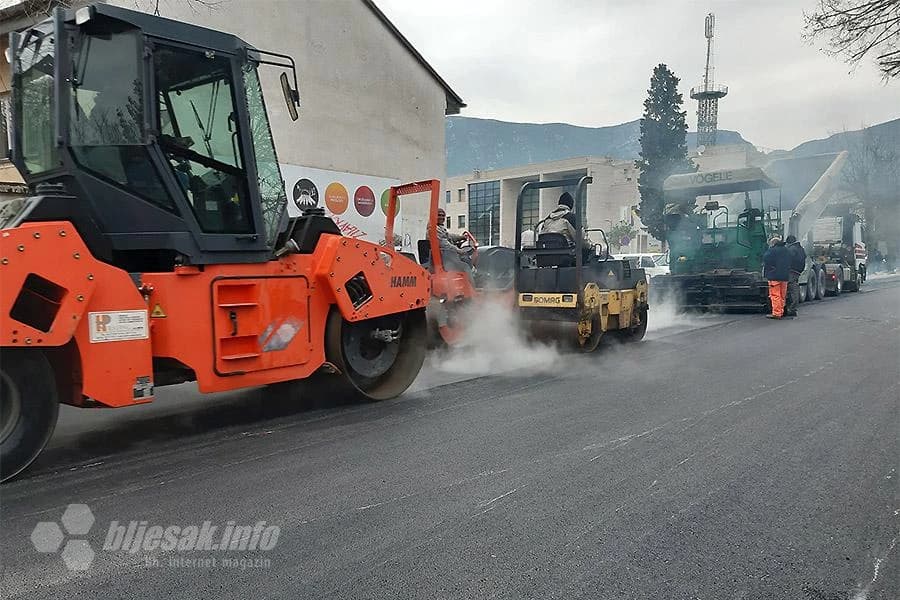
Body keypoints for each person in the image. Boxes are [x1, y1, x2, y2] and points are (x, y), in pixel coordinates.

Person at [763, 236, 791, 319]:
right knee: (782, 295)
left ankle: (776, 313)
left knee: (775, 295)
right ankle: (781, 311)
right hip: (785, 276)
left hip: (774, 276)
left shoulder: (772, 251)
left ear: (773, 244)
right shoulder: (786, 250)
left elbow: (766, 259)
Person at [784, 234, 806, 317]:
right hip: (798, 270)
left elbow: (787, 259)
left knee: (792, 290)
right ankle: (792, 308)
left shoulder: (791, 249)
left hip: (792, 271)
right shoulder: (800, 248)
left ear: (788, 242)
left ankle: (791, 308)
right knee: (794, 289)